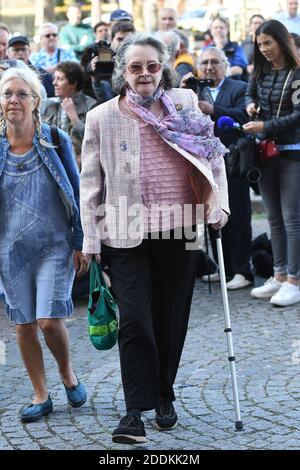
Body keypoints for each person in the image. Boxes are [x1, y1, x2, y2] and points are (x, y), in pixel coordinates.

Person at [80, 32, 229, 444]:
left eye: (151, 66)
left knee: (169, 316)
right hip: (123, 228)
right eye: (135, 66)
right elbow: (90, 183)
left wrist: (220, 206)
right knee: (135, 320)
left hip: (180, 223)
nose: (144, 74)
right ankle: (134, 412)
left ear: (162, 68)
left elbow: (211, 155)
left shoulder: (183, 104)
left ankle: (164, 394)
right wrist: (90, 239)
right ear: (123, 72)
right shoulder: (102, 117)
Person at [0, 67, 88, 423]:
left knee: (49, 321)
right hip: (10, 250)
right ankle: (40, 393)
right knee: (23, 325)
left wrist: (81, 239)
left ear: (36, 101)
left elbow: (77, 191)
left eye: (22, 94)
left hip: (54, 245)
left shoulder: (54, 139)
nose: (14, 100)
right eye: (8, 94)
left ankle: (67, 373)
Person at [182, 46, 253, 290]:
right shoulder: (194, 90)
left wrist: (215, 110)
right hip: (204, 162)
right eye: (204, 63)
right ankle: (224, 268)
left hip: (234, 162)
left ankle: (243, 269)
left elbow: (246, 116)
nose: (209, 67)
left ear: (224, 64)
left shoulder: (239, 88)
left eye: (214, 62)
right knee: (214, 213)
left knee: (239, 218)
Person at [243, 19, 300, 306]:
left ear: (281, 41)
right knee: (274, 220)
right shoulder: (261, 71)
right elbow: (249, 93)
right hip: (266, 154)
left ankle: (294, 279)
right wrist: (250, 105)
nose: (263, 48)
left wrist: (265, 125)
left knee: (292, 221)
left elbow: (299, 115)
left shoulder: (297, 73)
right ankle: (278, 275)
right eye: (259, 44)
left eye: (268, 42)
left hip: (292, 153)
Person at [42, 61, 97, 168]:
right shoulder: (49, 105)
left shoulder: (91, 106)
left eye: (60, 79)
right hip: (53, 165)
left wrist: (74, 117)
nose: (54, 83)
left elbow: (93, 141)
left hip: (81, 167)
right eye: (55, 78)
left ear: (73, 83)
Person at [209, 16, 248, 80]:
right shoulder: (208, 49)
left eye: (221, 27)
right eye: (216, 28)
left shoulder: (236, 47)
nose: (219, 30)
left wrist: (219, 75)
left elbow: (239, 69)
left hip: (234, 84)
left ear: (227, 29)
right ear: (211, 31)